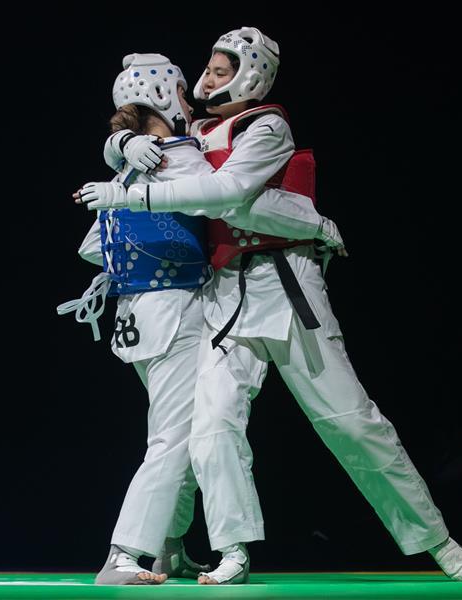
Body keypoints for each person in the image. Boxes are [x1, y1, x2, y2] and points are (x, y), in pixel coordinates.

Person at [79, 26, 462, 585]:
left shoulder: (268, 126)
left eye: (220, 71)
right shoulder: (194, 131)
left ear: (251, 76)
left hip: (287, 287)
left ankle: (436, 539)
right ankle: (234, 551)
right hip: (223, 296)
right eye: (209, 69)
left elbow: (229, 195)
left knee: (350, 424)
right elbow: (141, 128)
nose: (207, 79)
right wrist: (120, 145)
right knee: (212, 428)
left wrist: (132, 190)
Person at [61, 52, 343, 585]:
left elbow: (92, 248)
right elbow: (226, 200)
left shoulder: (129, 163)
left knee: (190, 433)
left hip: (136, 315)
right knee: (172, 437)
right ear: (164, 100)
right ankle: (124, 553)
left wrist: (119, 146)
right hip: (175, 310)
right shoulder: (182, 159)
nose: (192, 102)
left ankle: (169, 547)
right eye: (183, 95)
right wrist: (313, 222)